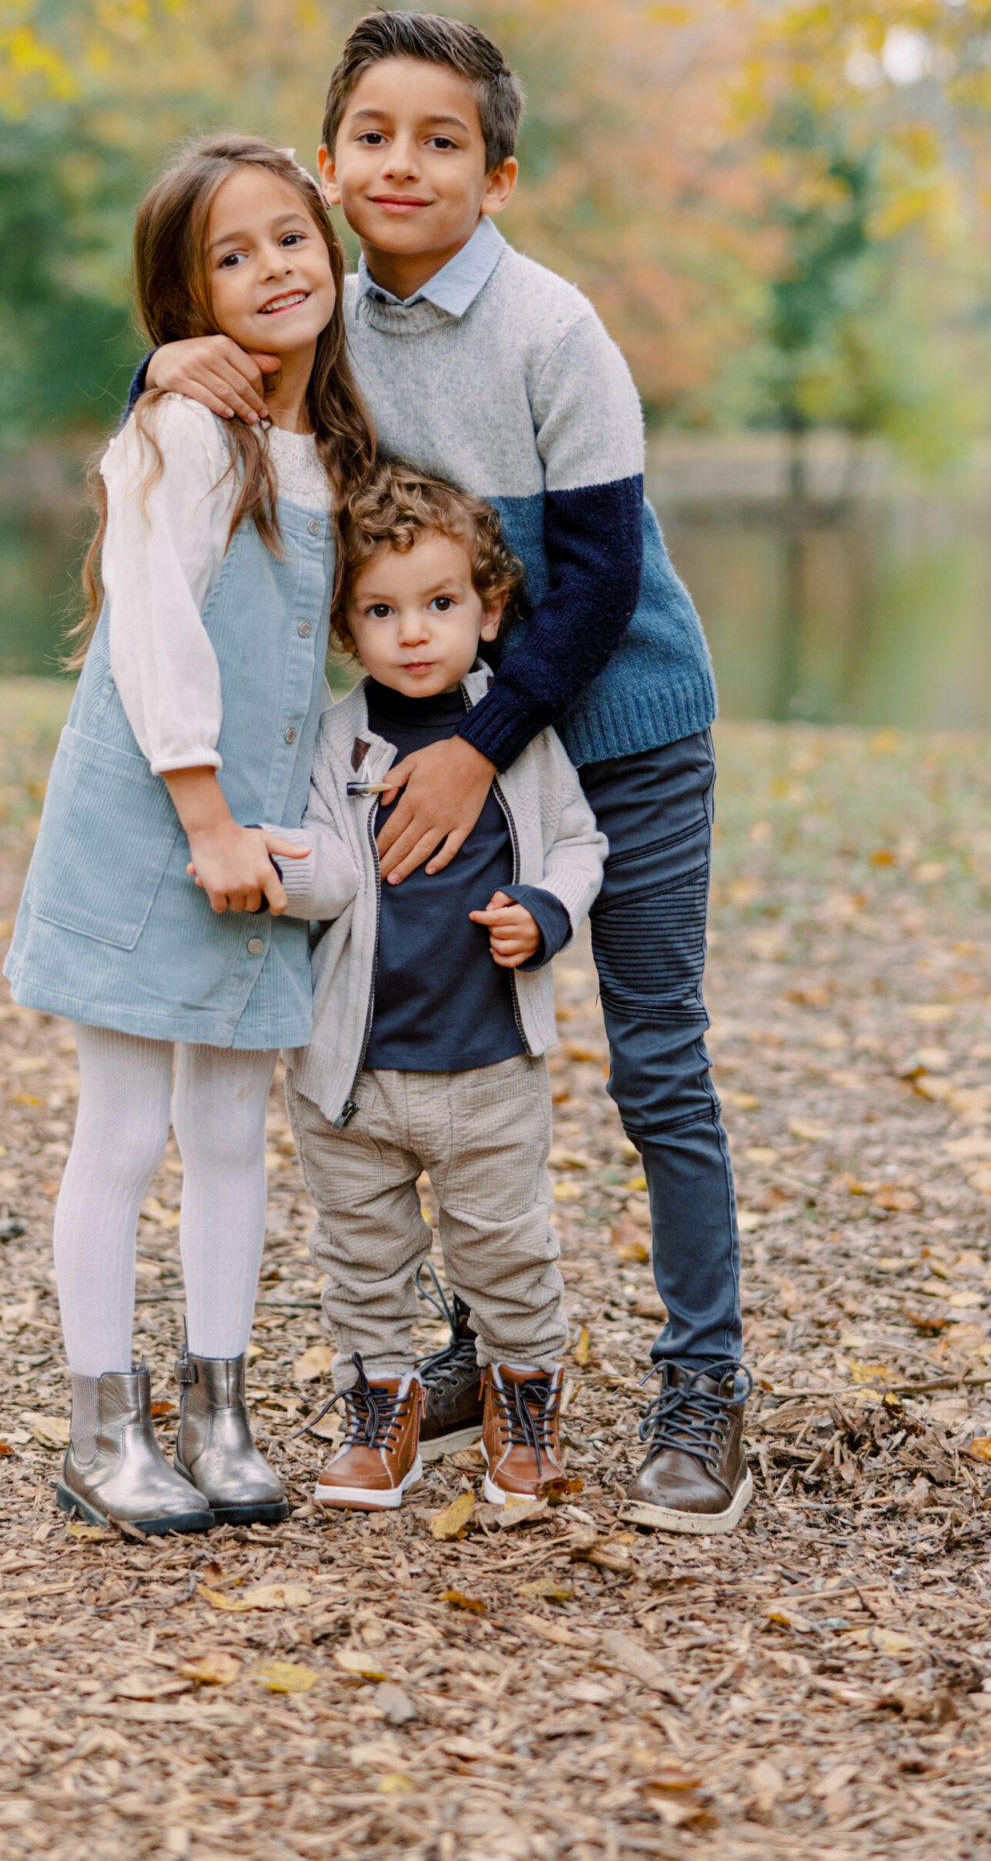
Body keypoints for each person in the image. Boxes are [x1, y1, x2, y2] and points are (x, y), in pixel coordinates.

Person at [143, 11, 754, 1535]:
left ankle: (705, 1381)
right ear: (332, 161)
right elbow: (193, 436)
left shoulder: (555, 330)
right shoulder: (324, 314)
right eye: (372, 136)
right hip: (444, 738)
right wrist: (162, 361)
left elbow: (602, 584)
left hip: (614, 729)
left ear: (502, 173)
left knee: (659, 1052)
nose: (402, 163)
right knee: (457, 1018)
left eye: (441, 139)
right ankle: (485, 1349)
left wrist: (484, 753)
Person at [6, 134, 375, 1536]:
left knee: (230, 1127)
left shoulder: (328, 439)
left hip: (259, 835)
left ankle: (219, 1414)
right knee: (126, 1125)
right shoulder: (185, 430)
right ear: (185, 300)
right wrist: (210, 819)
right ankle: (105, 1428)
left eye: (292, 236)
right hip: (160, 820)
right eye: (233, 256)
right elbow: (156, 631)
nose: (275, 268)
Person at [272, 463, 605, 1510]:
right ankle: (382, 1407)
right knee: (362, 1252)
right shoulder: (332, 743)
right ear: (346, 625)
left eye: (440, 604)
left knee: (506, 1248)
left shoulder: (517, 733)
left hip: (487, 1064)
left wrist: (546, 913)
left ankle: (524, 1398)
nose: (413, 632)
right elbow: (332, 870)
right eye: (382, 610)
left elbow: (580, 844)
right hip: (354, 1072)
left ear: (488, 606)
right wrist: (273, 870)